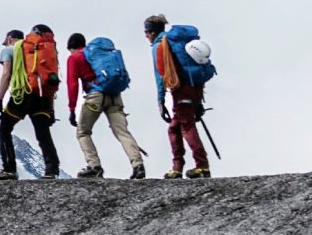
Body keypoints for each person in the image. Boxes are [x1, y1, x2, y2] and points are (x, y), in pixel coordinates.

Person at [66, 33, 145, 179]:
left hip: (95, 97)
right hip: (114, 95)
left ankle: (94, 166)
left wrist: (72, 109)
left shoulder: (74, 58)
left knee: (83, 132)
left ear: (71, 48)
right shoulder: (97, 55)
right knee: (122, 132)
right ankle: (138, 164)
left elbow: (72, 85)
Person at [145, 14, 210, 179]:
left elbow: (160, 76)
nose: (146, 36)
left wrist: (160, 100)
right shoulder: (178, 43)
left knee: (186, 126)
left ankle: (202, 166)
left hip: (181, 91)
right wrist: (198, 102)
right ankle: (177, 167)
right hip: (195, 88)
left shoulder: (160, 46)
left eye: (146, 32)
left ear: (152, 32)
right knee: (174, 127)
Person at [0, 24, 60, 180]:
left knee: (4, 129)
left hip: (23, 93)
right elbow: (48, 83)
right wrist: (51, 110)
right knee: (43, 133)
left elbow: (6, 75)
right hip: (43, 97)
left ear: (9, 39)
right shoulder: (43, 52)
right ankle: (52, 170)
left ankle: (9, 169)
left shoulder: (10, 50)